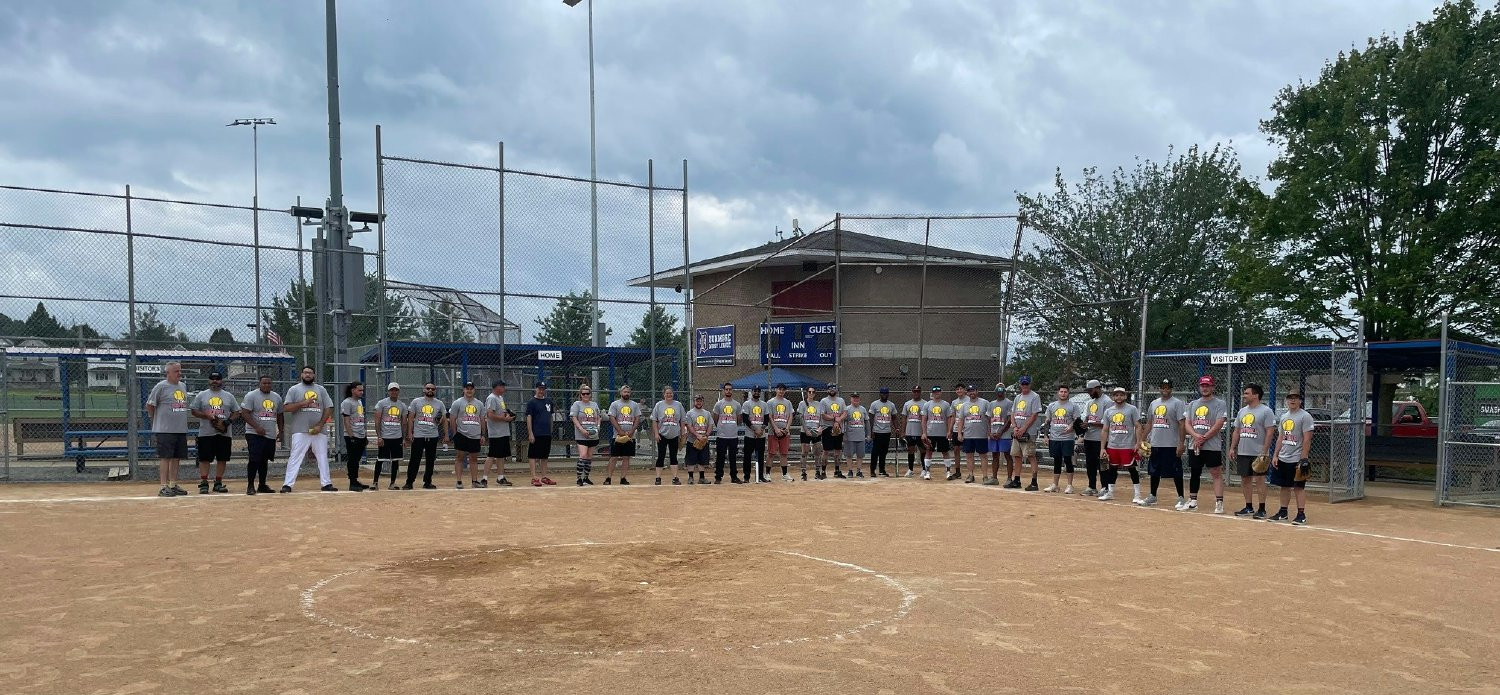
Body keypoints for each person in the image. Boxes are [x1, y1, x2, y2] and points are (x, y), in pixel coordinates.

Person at [280, 366, 336, 493]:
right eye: (305, 372)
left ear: (314, 375)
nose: (308, 375)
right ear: (301, 375)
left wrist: (320, 425)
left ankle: (326, 483)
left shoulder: (321, 390)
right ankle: (287, 484)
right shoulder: (294, 389)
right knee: (295, 456)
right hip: (300, 429)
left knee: (322, 456)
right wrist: (303, 403)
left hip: (318, 430)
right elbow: (287, 408)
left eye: (310, 373)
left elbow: (329, 407)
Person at [1139, 378, 1188, 509]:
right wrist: (1142, 440)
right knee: (1154, 471)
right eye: (1162, 387)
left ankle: (1181, 498)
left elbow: (1182, 424)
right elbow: (1149, 423)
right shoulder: (1154, 403)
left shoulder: (1178, 403)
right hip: (1155, 443)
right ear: (1159, 388)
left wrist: (1181, 443)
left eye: (1167, 387)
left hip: (1171, 444)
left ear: (1171, 389)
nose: (1165, 389)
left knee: (1176, 471)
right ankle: (1153, 496)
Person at [1268, 391, 1316, 525]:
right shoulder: (1284, 417)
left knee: (1298, 487)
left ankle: (1301, 514)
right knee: (1284, 486)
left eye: (1295, 398)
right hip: (1284, 456)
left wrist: (1304, 458)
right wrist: (1276, 455)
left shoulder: (1305, 416)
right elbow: (1281, 437)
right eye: (1290, 398)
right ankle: (1283, 512)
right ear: (1286, 400)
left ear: (1300, 401)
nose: (1292, 400)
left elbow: (1307, 439)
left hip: (1297, 458)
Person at [1230, 383, 1276, 519]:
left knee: (1260, 480)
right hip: (1244, 451)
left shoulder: (1266, 411)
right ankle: (1249, 506)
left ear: (1256, 395)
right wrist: (1233, 447)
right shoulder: (1242, 411)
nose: (1244, 396)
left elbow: (1270, 432)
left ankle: (1262, 509)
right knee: (1245, 479)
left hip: (1259, 452)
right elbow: (1237, 431)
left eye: (1247, 393)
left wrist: (1264, 451)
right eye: (1244, 393)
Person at [146, 361, 191, 497]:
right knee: (165, 457)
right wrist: (155, 419)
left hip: (180, 428)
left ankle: (172, 484)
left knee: (176, 457)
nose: (179, 373)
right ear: (168, 373)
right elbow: (150, 404)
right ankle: (163, 486)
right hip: (165, 429)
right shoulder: (161, 386)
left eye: (180, 370)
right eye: (176, 371)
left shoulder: (182, 386)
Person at [190, 370, 238, 494]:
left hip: (224, 433)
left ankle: (218, 482)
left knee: (222, 458)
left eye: (217, 379)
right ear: (209, 381)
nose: (214, 381)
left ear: (221, 381)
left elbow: (237, 412)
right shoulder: (202, 395)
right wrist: (208, 417)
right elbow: (194, 410)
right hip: (206, 432)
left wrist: (227, 422)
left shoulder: (228, 396)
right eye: (212, 379)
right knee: (204, 458)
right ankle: (204, 482)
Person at [1187, 375, 1229, 513]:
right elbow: (1187, 423)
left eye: (1207, 386)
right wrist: (1195, 436)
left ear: (1213, 387)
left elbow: (1219, 423)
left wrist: (1204, 437)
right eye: (1202, 386)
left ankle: (1219, 502)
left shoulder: (1219, 403)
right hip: (1195, 444)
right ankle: (1193, 501)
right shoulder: (1193, 404)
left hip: (1212, 444)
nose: (1205, 388)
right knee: (1195, 472)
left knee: (1215, 472)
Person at [1098, 387, 1144, 503]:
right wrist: (1102, 448)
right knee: (1112, 469)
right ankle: (1110, 493)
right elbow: (1105, 430)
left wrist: (1138, 443)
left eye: (1121, 395)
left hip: (1127, 445)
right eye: (1116, 395)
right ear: (1113, 397)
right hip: (1113, 445)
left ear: (1125, 396)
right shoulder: (1109, 411)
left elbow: (1138, 426)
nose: (1119, 397)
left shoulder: (1131, 409)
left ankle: (1137, 494)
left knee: (1132, 469)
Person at [239, 374, 282, 495]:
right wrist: (257, 427)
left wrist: (281, 431)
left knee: (264, 460)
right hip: (254, 433)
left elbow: (280, 415)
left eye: (269, 383)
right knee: (254, 459)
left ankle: (262, 484)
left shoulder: (276, 397)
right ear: (259, 384)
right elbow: (245, 413)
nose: (267, 385)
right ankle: (250, 485)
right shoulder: (251, 396)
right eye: (264, 383)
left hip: (269, 434)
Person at [404, 383, 446, 490]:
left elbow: (444, 419)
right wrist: (410, 433)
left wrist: (446, 434)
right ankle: (409, 482)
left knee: (430, 460)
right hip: (419, 435)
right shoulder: (416, 402)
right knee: (415, 459)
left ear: (435, 390)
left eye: (432, 389)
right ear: (424, 389)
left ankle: (427, 481)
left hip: (432, 435)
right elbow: (411, 418)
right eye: (428, 388)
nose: (430, 390)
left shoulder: (439, 404)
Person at [1043, 385, 1082, 494]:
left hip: (1067, 438)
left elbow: (1078, 420)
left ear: (1068, 393)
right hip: (1054, 437)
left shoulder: (1073, 406)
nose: (1063, 393)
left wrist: (1071, 426)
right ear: (1058, 393)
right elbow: (1047, 421)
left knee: (1068, 460)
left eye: (1065, 392)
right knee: (1057, 461)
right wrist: (1046, 436)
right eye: (1061, 391)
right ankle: (1055, 484)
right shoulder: (1052, 406)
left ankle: (1070, 485)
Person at [1008, 376, 1043, 490]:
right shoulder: (1018, 397)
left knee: (1030, 455)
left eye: (1026, 384)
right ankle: (1016, 480)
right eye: (1023, 384)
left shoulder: (1034, 396)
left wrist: (1024, 428)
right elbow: (1013, 413)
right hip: (1017, 431)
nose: (1024, 386)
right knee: (1017, 455)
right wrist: (1014, 427)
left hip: (1029, 432)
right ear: (1020, 385)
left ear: (1030, 385)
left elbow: (1034, 415)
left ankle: (1034, 482)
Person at [451, 382, 486, 489]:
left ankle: (474, 481)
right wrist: (455, 433)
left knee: (474, 458)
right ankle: (459, 481)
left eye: (471, 389)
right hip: (462, 434)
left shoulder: (479, 404)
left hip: (475, 435)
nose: (469, 390)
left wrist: (483, 434)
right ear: (463, 390)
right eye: (467, 388)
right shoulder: (458, 403)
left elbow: (482, 420)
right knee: (460, 457)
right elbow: (452, 418)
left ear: (474, 390)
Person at [373, 383, 407, 490]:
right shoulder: (382, 403)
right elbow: (377, 420)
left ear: (398, 391)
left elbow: (404, 422)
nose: (394, 392)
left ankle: (392, 483)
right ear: (388, 391)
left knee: (395, 460)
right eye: (392, 390)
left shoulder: (402, 405)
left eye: (396, 390)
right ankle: (375, 482)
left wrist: (404, 438)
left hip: (397, 437)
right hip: (385, 436)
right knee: (380, 459)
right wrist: (379, 436)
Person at [482, 380, 516, 488]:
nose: (504, 389)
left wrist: (508, 417)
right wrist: (503, 418)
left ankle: (501, 477)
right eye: (503, 387)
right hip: (496, 432)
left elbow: (501, 413)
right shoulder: (492, 398)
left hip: (503, 431)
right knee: (492, 455)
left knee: (501, 456)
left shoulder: (500, 398)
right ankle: (484, 478)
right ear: (497, 387)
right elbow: (490, 414)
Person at [1080, 379, 1110, 497]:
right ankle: (1092, 486)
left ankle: (1105, 487)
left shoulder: (1107, 402)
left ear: (1098, 388)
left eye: (1091, 390)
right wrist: (1083, 423)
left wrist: (1090, 424)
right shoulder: (1089, 402)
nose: (1089, 393)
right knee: (1090, 463)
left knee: (1102, 463)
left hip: (1101, 439)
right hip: (1089, 437)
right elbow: (1086, 417)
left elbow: (1106, 423)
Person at [339, 381, 370, 491]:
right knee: (352, 460)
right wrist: (351, 436)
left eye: (362, 390)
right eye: (359, 390)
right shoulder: (347, 402)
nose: (361, 392)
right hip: (352, 435)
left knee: (356, 460)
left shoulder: (360, 402)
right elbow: (346, 421)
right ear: (353, 390)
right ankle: (352, 482)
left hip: (360, 434)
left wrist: (364, 435)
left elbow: (361, 419)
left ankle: (355, 480)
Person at [605, 384, 638, 486]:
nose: (626, 394)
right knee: (614, 457)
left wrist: (632, 431)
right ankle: (609, 478)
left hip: (629, 436)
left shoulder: (634, 405)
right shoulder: (615, 404)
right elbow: (612, 418)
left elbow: (637, 418)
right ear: (620, 393)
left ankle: (623, 478)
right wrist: (619, 430)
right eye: (625, 392)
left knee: (626, 457)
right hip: (617, 436)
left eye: (628, 392)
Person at [525, 382, 557, 487]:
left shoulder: (548, 401)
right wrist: (530, 433)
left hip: (546, 432)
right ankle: (534, 477)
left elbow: (550, 416)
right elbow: (529, 417)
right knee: (533, 455)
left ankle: (544, 476)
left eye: (543, 389)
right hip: (536, 432)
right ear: (536, 389)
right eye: (539, 389)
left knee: (544, 456)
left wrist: (551, 429)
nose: (541, 391)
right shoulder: (532, 402)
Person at [651, 386, 684, 485]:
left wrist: (682, 432)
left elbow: (682, 420)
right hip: (662, 434)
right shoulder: (659, 405)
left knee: (673, 456)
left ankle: (675, 477)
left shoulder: (678, 405)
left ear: (673, 394)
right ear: (663, 394)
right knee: (661, 456)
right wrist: (656, 433)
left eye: (671, 393)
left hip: (674, 434)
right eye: (667, 393)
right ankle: (658, 478)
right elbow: (654, 420)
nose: (669, 395)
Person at [569, 385, 601, 486]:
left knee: (589, 456)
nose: (586, 395)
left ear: (590, 394)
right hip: (581, 434)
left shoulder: (594, 404)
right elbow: (574, 418)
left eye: (588, 393)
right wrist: (581, 430)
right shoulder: (577, 404)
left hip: (593, 434)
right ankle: (579, 478)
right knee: (583, 455)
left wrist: (598, 427)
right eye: (583, 394)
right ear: (580, 395)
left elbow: (598, 417)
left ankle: (586, 477)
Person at [919, 386, 953, 480]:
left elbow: (949, 418)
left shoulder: (945, 404)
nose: (936, 393)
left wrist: (949, 431)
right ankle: (927, 472)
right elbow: (924, 419)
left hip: (942, 433)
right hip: (930, 432)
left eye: (938, 392)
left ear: (941, 392)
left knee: (945, 451)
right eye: (935, 392)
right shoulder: (927, 404)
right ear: (932, 393)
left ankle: (948, 472)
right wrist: (924, 433)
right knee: (929, 451)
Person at [712, 383, 743, 484]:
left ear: (732, 391)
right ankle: (718, 477)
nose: (728, 391)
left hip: (733, 435)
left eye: (730, 389)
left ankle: (734, 476)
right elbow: (715, 418)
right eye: (726, 389)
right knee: (720, 457)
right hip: (722, 435)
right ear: (724, 391)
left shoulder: (737, 404)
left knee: (733, 457)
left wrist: (733, 426)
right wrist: (721, 427)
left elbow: (739, 419)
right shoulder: (719, 404)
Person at [958, 387, 990, 483]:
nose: (971, 393)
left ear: (977, 391)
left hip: (981, 434)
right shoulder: (964, 405)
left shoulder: (985, 403)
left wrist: (989, 431)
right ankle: (970, 475)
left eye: (973, 391)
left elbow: (989, 418)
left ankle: (985, 476)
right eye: (969, 391)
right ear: (967, 393)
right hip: (968, 434)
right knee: (969, 456)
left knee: (983, 456)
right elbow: (961, 420)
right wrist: (959, 433)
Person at [984, 383, 1012, 486]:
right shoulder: (991, 404)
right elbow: (988, 418)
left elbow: (1009, 419)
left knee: (1007, 455)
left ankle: (1009, 478)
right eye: (998, 391)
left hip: (1004, 434)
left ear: (1004, 391)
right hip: (993, 432)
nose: (1000, 393)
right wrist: (990, 432)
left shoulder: (1009, 403)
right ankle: (994, 477)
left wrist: (1001, 431)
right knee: (995, 455)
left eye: (1002, 391)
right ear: (995, 392)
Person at [767, 383, 795, 481]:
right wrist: (776, 429)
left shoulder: (787, 402)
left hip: (784, 432)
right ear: (776, 390)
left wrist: (787, 429)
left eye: (783, 390)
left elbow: (791, 415)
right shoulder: (770, 402)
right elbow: (769, 416)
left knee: (784, 453)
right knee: (771, 453)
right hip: (773, 431)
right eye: (779, 389)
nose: (781, 391)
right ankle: (767, 474)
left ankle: (784, 474)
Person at [742, 386, 770, 483]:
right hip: (750, 435)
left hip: (761, 435)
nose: (757, 393)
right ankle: (746, 476)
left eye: (758, 391)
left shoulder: (764, 404)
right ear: (752, 392)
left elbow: (766, 418)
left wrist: (761, 429)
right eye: (755, 391)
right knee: (747, 456)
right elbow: (745, 418)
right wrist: (754, 429)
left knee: (761, 456)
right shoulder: (747, 404)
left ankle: (760, 476)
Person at [820, 384, 849, 479]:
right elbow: (823, 415)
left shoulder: (841, 400)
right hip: (827, 428)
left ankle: (837, 470)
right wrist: (835, 418)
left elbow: (845, 412)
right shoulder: (824, 401)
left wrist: (839, 419)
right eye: (830, 388)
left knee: (838, 450)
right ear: (827, 390)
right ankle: (823, 471)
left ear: (836, 390)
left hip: (839, 427)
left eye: (833, 388)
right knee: (826, 450)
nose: (832, 390)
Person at [683, 393, 713, 484]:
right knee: (691, 459)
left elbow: (710, 425)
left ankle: (702, 478)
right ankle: (691, 477)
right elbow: (689, 426)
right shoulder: (690, 413)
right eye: (697, 401)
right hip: (693, 440)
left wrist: (706, 436)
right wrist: (697, 435)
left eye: (700, 401)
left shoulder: (707, 413)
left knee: (702, 459)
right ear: (694, 402)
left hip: (703, 440)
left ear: (703, 402)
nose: (699, 402)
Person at [869, 387, 897, 477]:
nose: (884, 395)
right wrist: (871, 430)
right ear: (880, 394)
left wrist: (896, 428)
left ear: (888, 394)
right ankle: (872, 470)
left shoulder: (891, 405)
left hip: (887, 431)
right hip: (877, 431)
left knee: (884, 452)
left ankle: (882, 469)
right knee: (875, 451)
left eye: (886, 393)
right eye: (883, 393)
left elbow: (894, 417)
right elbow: (871, 417)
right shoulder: (874, 404)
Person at [798, 386, 824, 481]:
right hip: (805, 431)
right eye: (809, 392)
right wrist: (806, 430)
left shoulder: (819, 404)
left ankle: (817, 471)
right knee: (804, 451)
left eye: (813, 392)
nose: (811, 393)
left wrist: (821, 427)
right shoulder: (802, 403)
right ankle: (803, 472)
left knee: (817, 451)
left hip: (816, 430)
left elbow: (821, 417)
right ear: (806, 393)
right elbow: (800, 417)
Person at [901, 387, 926, 478]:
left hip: (920, 431)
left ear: (920, 392)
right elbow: (904, 418)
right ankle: (910, 469)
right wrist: (903, 431)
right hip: (910, 430)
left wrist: (925, 432)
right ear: (912, 392)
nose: (916, 393)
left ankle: (924, 469)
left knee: (923, 449)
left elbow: (926, 418)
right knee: (910, 449)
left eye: (918, 391)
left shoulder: (925, 403)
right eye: (914, 391)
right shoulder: (907, 404)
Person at [946, 384, 968, 481]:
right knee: (956, 450)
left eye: (961, 389)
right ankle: (957, 471)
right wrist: (950, 430)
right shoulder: (954, 402)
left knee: (968, 451)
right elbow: (953, 417)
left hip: (967, 428)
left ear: (965, 390)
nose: (959, 390)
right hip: (956, 428)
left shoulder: (968, 400)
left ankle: (970, 472)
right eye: (957, 389)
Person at [845, 392, 869, 478]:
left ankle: (859, 470)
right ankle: (850, 470)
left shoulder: (863, 409)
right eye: (854, 398)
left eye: (857, 398)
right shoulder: (847, 409)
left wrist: (868, 434)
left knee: (860, 454)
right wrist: (844, 435)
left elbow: (866, 422)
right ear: (851, 399)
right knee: (849, 454)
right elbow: (844, 422)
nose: (856, 399)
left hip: (860, 435)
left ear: (859, 399)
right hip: (850, 435)